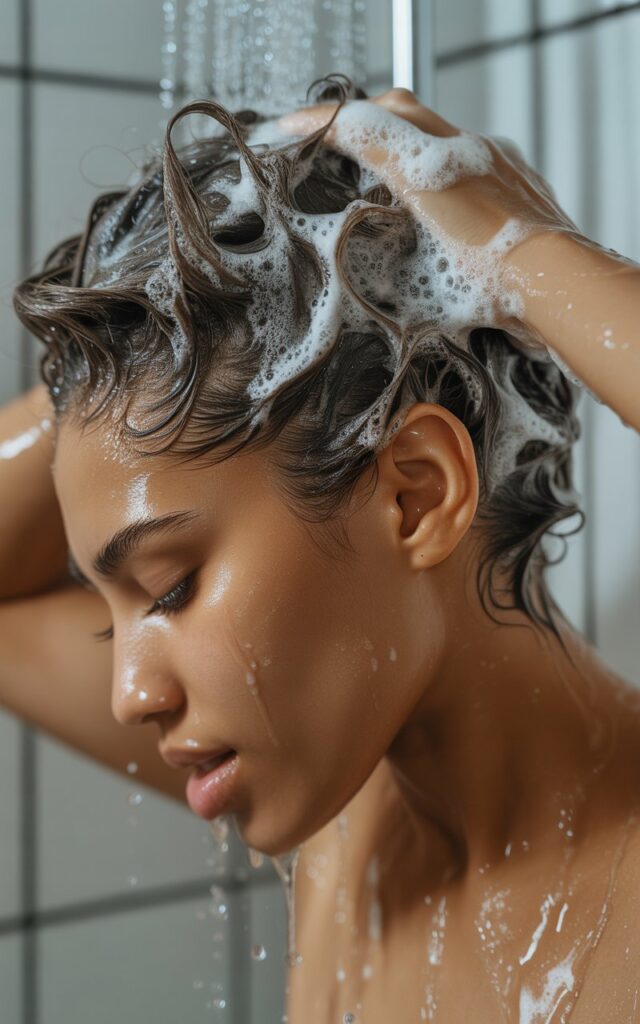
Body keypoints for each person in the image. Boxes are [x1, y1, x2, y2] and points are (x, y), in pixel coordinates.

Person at [2, 75, 640, 1022]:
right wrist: (171, 315)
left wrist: (529, 258)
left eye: (171, 589)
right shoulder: (343, 805)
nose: (131, 694)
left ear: (416, 494)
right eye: (115, 613)